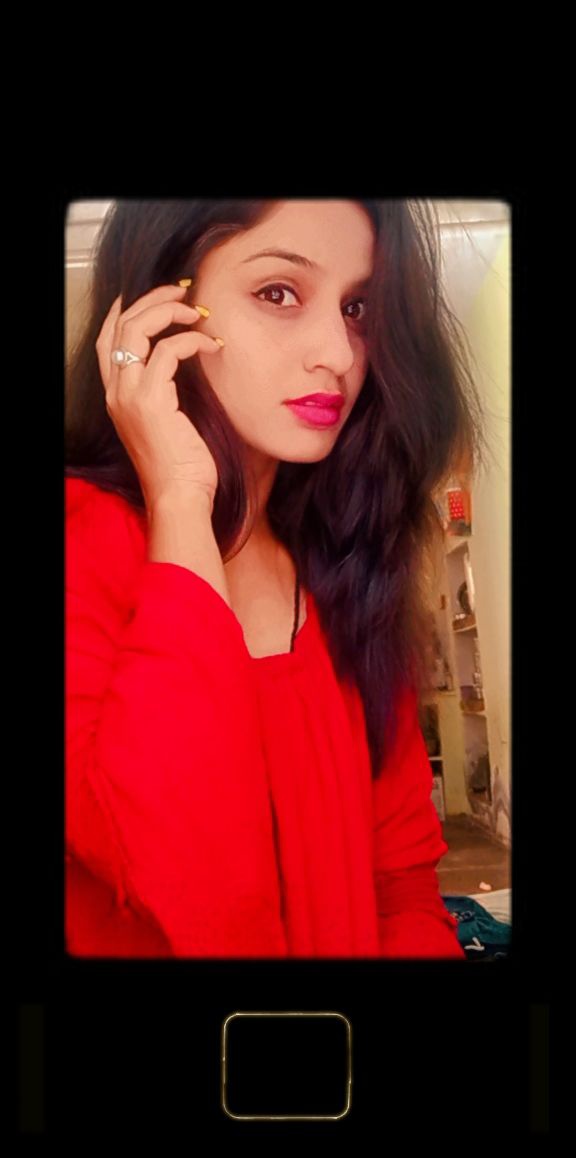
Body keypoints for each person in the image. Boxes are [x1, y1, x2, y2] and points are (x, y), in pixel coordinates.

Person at [65, 198, 487, 958]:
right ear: (161, 310)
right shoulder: (79, 541)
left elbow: (402, 885)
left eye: (358, 308)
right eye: (279, 292)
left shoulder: (347, 566)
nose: (339, 353)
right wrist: (181, 500)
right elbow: (179, 887)